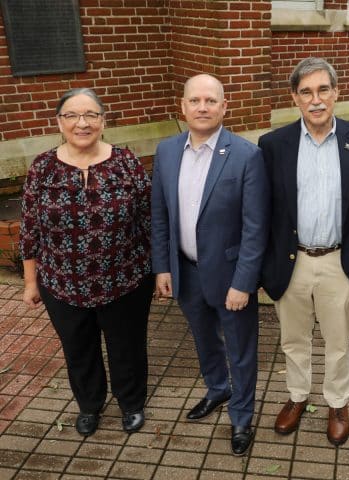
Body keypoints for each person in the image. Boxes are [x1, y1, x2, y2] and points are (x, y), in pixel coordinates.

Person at [259, 57, 349, 447]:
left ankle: (338, 402)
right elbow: (265, 210)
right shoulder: (273, 144)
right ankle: (297, 396)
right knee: (294, 338)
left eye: (323, 90)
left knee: (338, 339)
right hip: (292, 261)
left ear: (336, 93)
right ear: (295, 97)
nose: (316, 100)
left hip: (338, 261)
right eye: (306, 92)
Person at [20, 88, 154, 437]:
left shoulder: (126, 162)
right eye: (72, 116)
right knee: (79, 349)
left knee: (127, 347)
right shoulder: (42, 168)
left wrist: (158, 270)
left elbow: (149, 220)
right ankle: (90, 405)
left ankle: (131, 402)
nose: (83, 123)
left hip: (125, 279)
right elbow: (30, 229)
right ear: (59, 122)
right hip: (61, 283)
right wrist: (31, 281)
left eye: (91, 115)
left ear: (103, 121)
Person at [151, 74, 269, 456]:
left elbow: (255, 227)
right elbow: (160, 215)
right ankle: (218, 389)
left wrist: (244, 282)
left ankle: (241, 416)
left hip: (231, 276)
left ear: (224, 107)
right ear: (182, 107)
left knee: (241, 348)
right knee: (204, 340)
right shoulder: (167, 151)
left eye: (211, 101)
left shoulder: (246, 154)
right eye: (195, 101)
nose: (202, 108)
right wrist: (163, 267)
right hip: (185, 272)